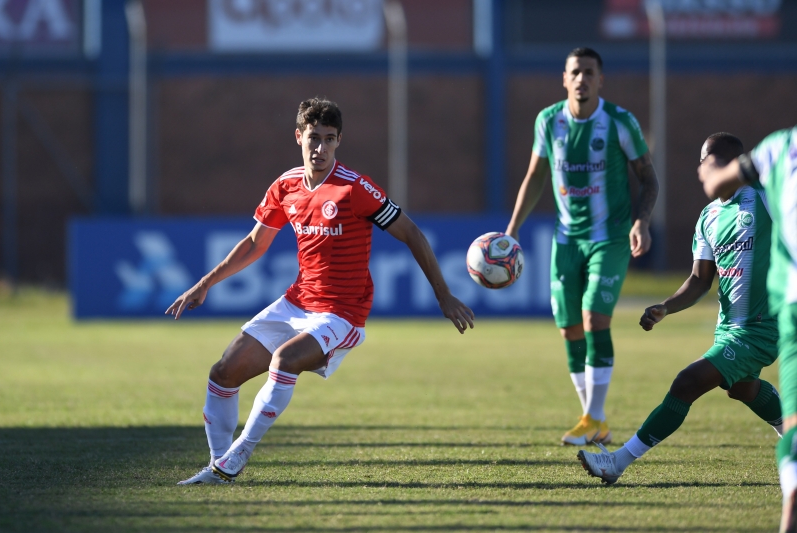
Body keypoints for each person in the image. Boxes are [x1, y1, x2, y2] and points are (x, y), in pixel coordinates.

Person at [169, 98, 475, 485]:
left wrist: (442, 294)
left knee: (284, 359)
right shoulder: (286, 185)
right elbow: (254, 243)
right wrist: (205, 283)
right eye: (314, 138)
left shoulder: (354, 189)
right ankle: (219, 465)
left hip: (342, 312)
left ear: (339, 141)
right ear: (299, 137)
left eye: (330, 140)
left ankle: (235, 458)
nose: (321, 148)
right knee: (223, 373)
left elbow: (411, 232)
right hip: (297, 301)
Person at [577, 132, 783, 485]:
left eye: (705, 160)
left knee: (687, 382)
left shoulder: (765, 200)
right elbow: (700, 280)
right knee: (743, 390)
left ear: (725, 165)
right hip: (729, 327)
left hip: (763, 326)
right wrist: (665, 307)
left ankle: (617, 462)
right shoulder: (708, 217)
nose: (699, 167)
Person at [506, 47, 659, 445]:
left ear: (599, 80)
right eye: (575, 72)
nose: (582, 79)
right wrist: (513, 228)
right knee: (570, 328)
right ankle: (594, 420)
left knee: (594, 319)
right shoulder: (548, 120)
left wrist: (641, 221)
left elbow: (649, 177)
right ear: (564, 78)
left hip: (610, 237)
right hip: (566, 238)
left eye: (589, 73)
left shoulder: (619, 122)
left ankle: (594, 414)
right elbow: (535, 176)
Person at [699, 127, 797, 533]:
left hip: (786, 308)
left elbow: (717, 183)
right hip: (781, 312)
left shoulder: (779, 147)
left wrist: (711, 173)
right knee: (744, 390)